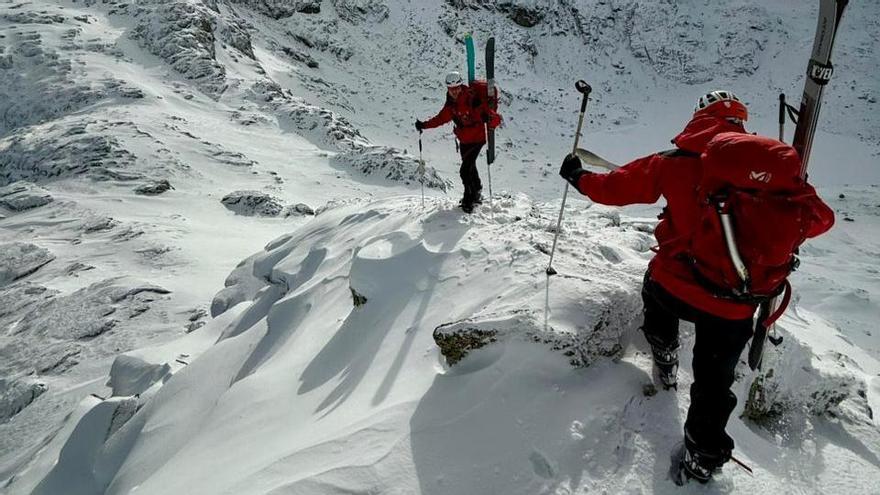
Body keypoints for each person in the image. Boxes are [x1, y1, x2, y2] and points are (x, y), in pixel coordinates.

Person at [558, 91, 835, 484]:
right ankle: (703, 456)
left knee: (655, 295)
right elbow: (822, 219)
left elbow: (613, 189)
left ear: (699, 118)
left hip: (675, 284)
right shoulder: (773, 172)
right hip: (736, 305)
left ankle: (665, 356)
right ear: (741, 122)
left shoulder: (674, 162)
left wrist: (578, 176)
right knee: (714, 381)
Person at [416, 71, 501, 213]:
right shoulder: (451, 105)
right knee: (470, 167)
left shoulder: (472, 98)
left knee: (464, 170)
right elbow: (440, 119)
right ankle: (477, 190)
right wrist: (424, 125)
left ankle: (469, 200)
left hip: (478, 138)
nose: (454, 91)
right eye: (451, 89)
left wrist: (488, 117)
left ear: (461, 86)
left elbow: (495, 118)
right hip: (464, 139)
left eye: (456, 88)